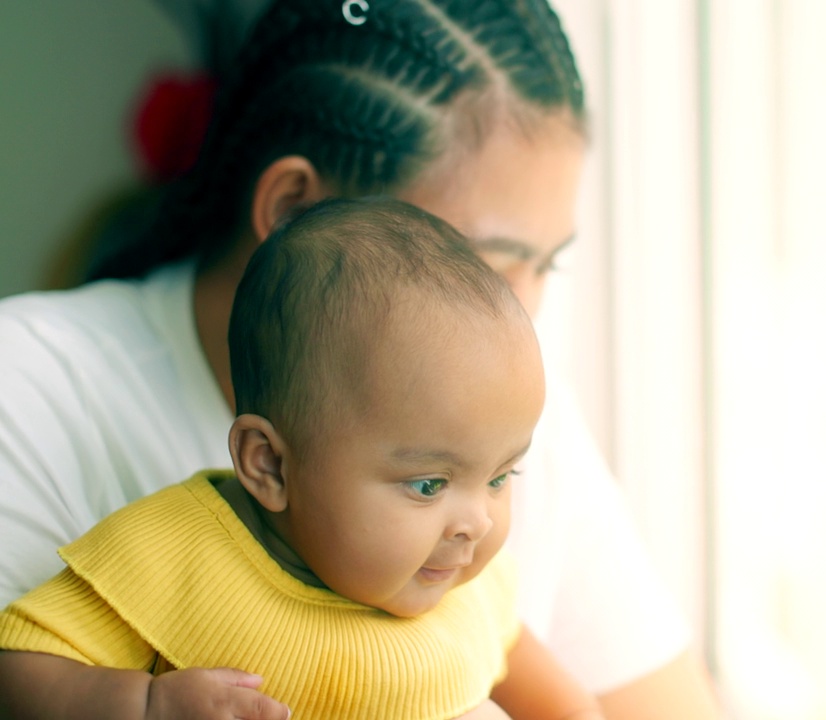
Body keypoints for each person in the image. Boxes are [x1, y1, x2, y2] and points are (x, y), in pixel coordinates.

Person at [0, 1, 721, 717]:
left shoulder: (507, 419)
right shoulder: (30, 393)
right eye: (477, 268)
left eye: (547, 266)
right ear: (292, 211)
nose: (520, 317)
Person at [0, 197, 606, 720]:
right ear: (269, 465)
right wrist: (144, 705)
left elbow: (568, 706)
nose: (477, 521)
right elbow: (19, 669)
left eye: (500, 476)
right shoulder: (175, 554)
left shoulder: (467, 590)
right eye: (428, 484)